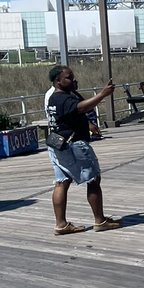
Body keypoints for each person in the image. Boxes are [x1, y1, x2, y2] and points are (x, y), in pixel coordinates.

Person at [45, 65, 122, 236]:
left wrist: (88, 124)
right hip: (74, 144)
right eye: (68, 78)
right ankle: (100, 220)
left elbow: (70, 115)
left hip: (58, 144)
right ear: (58, 81)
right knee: (93, 179)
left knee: (62, 182)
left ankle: (61, 224)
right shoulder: (62, 98)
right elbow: (80, 108)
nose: (73, 80)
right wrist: (102, 94)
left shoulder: (55, 98)